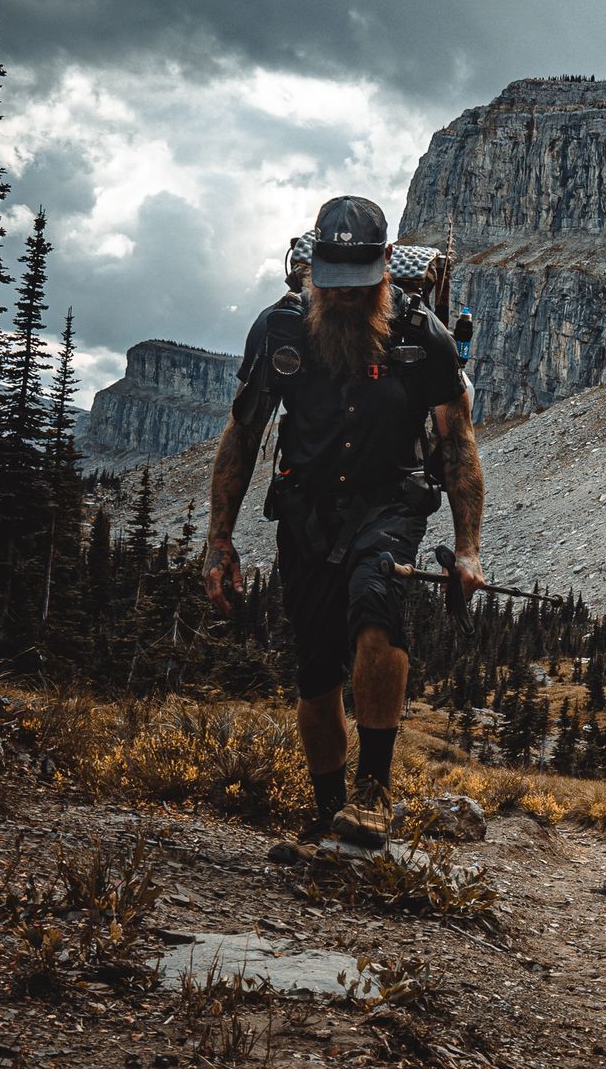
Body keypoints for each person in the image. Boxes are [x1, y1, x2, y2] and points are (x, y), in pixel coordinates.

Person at [202, 195, 485, 849]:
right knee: (316, 669)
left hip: (391, 501)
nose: (348, 298)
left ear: (386, 265)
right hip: (305, 509)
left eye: (362, 285)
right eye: (335, 285)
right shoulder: (279, 332)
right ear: (313, 270)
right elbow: (243, 437)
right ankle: (330, 815)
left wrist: (468, 548)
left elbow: (459, 443)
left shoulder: (423, 335)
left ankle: (374, 794)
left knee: (377, 607)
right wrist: (221, 542)